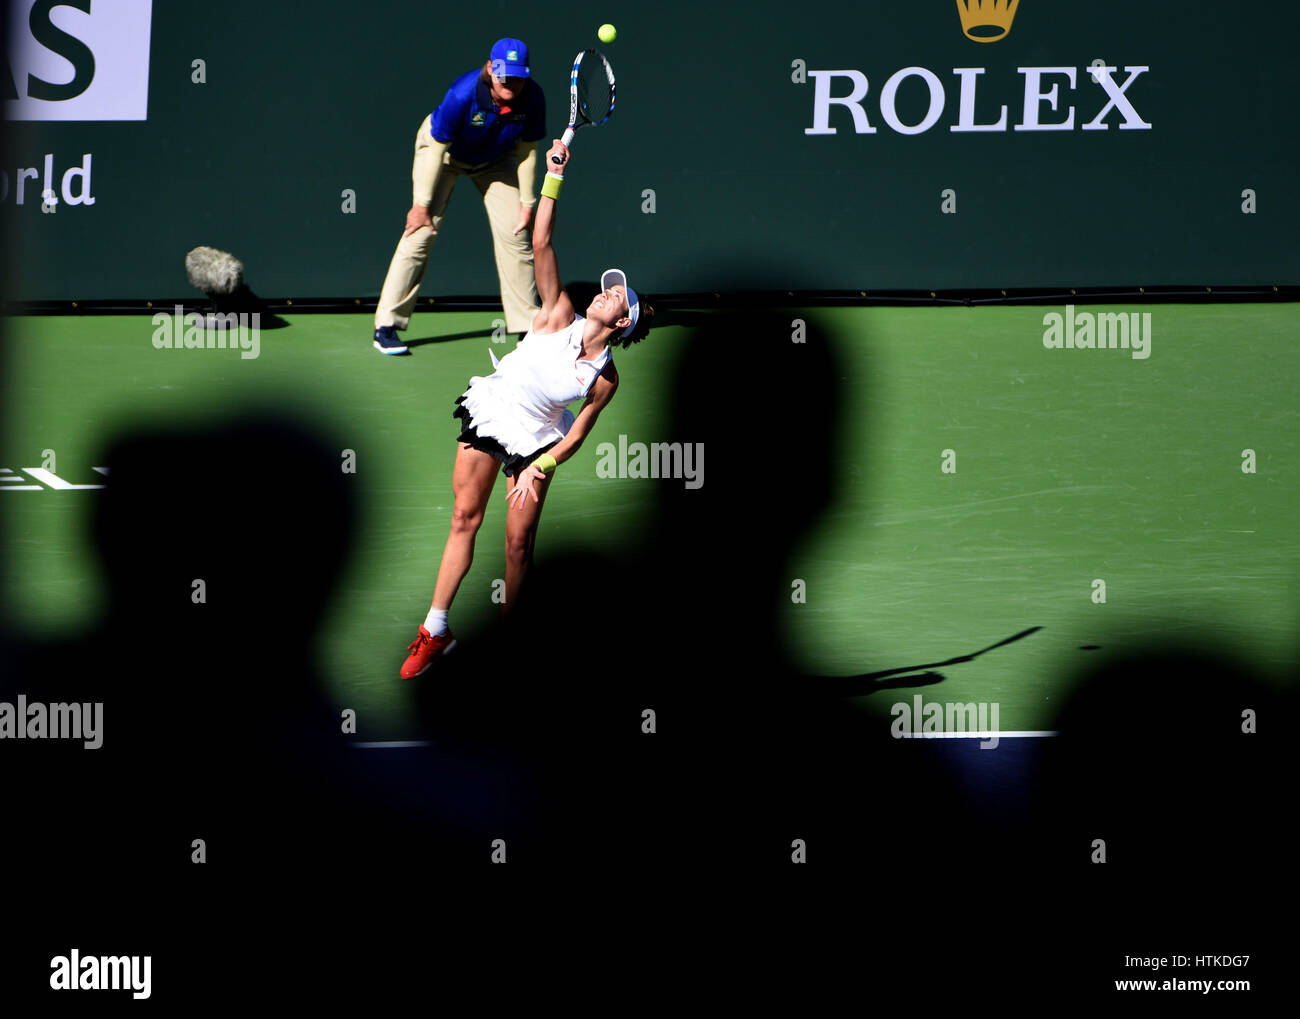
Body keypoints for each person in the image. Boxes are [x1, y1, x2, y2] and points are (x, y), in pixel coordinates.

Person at [399, 137, 655, 677]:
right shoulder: (557, 312)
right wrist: (554, 177)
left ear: (623, 322)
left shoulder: (604, 377)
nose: (605, 293)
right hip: (496, 409)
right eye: (608, 289)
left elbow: (579, 433)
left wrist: (542, 466)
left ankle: (515, 650)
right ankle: (435, 631)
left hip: (537, 444)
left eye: (616, 296)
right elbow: (541, 242)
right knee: (464, 518)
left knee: (518, 547)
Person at [372, 38, 546, 354]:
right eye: (505, 75)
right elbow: (434, 149)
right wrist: (421, 205)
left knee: (516, 233)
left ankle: (526, 327)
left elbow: (527, 152)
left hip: (495, 161)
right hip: (445, 156)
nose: (511, 83)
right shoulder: (463, 93)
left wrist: (526, 204)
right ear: (491, 69)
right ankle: (386, 325)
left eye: (518, 76)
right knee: (420, 232)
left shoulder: (532, 97)